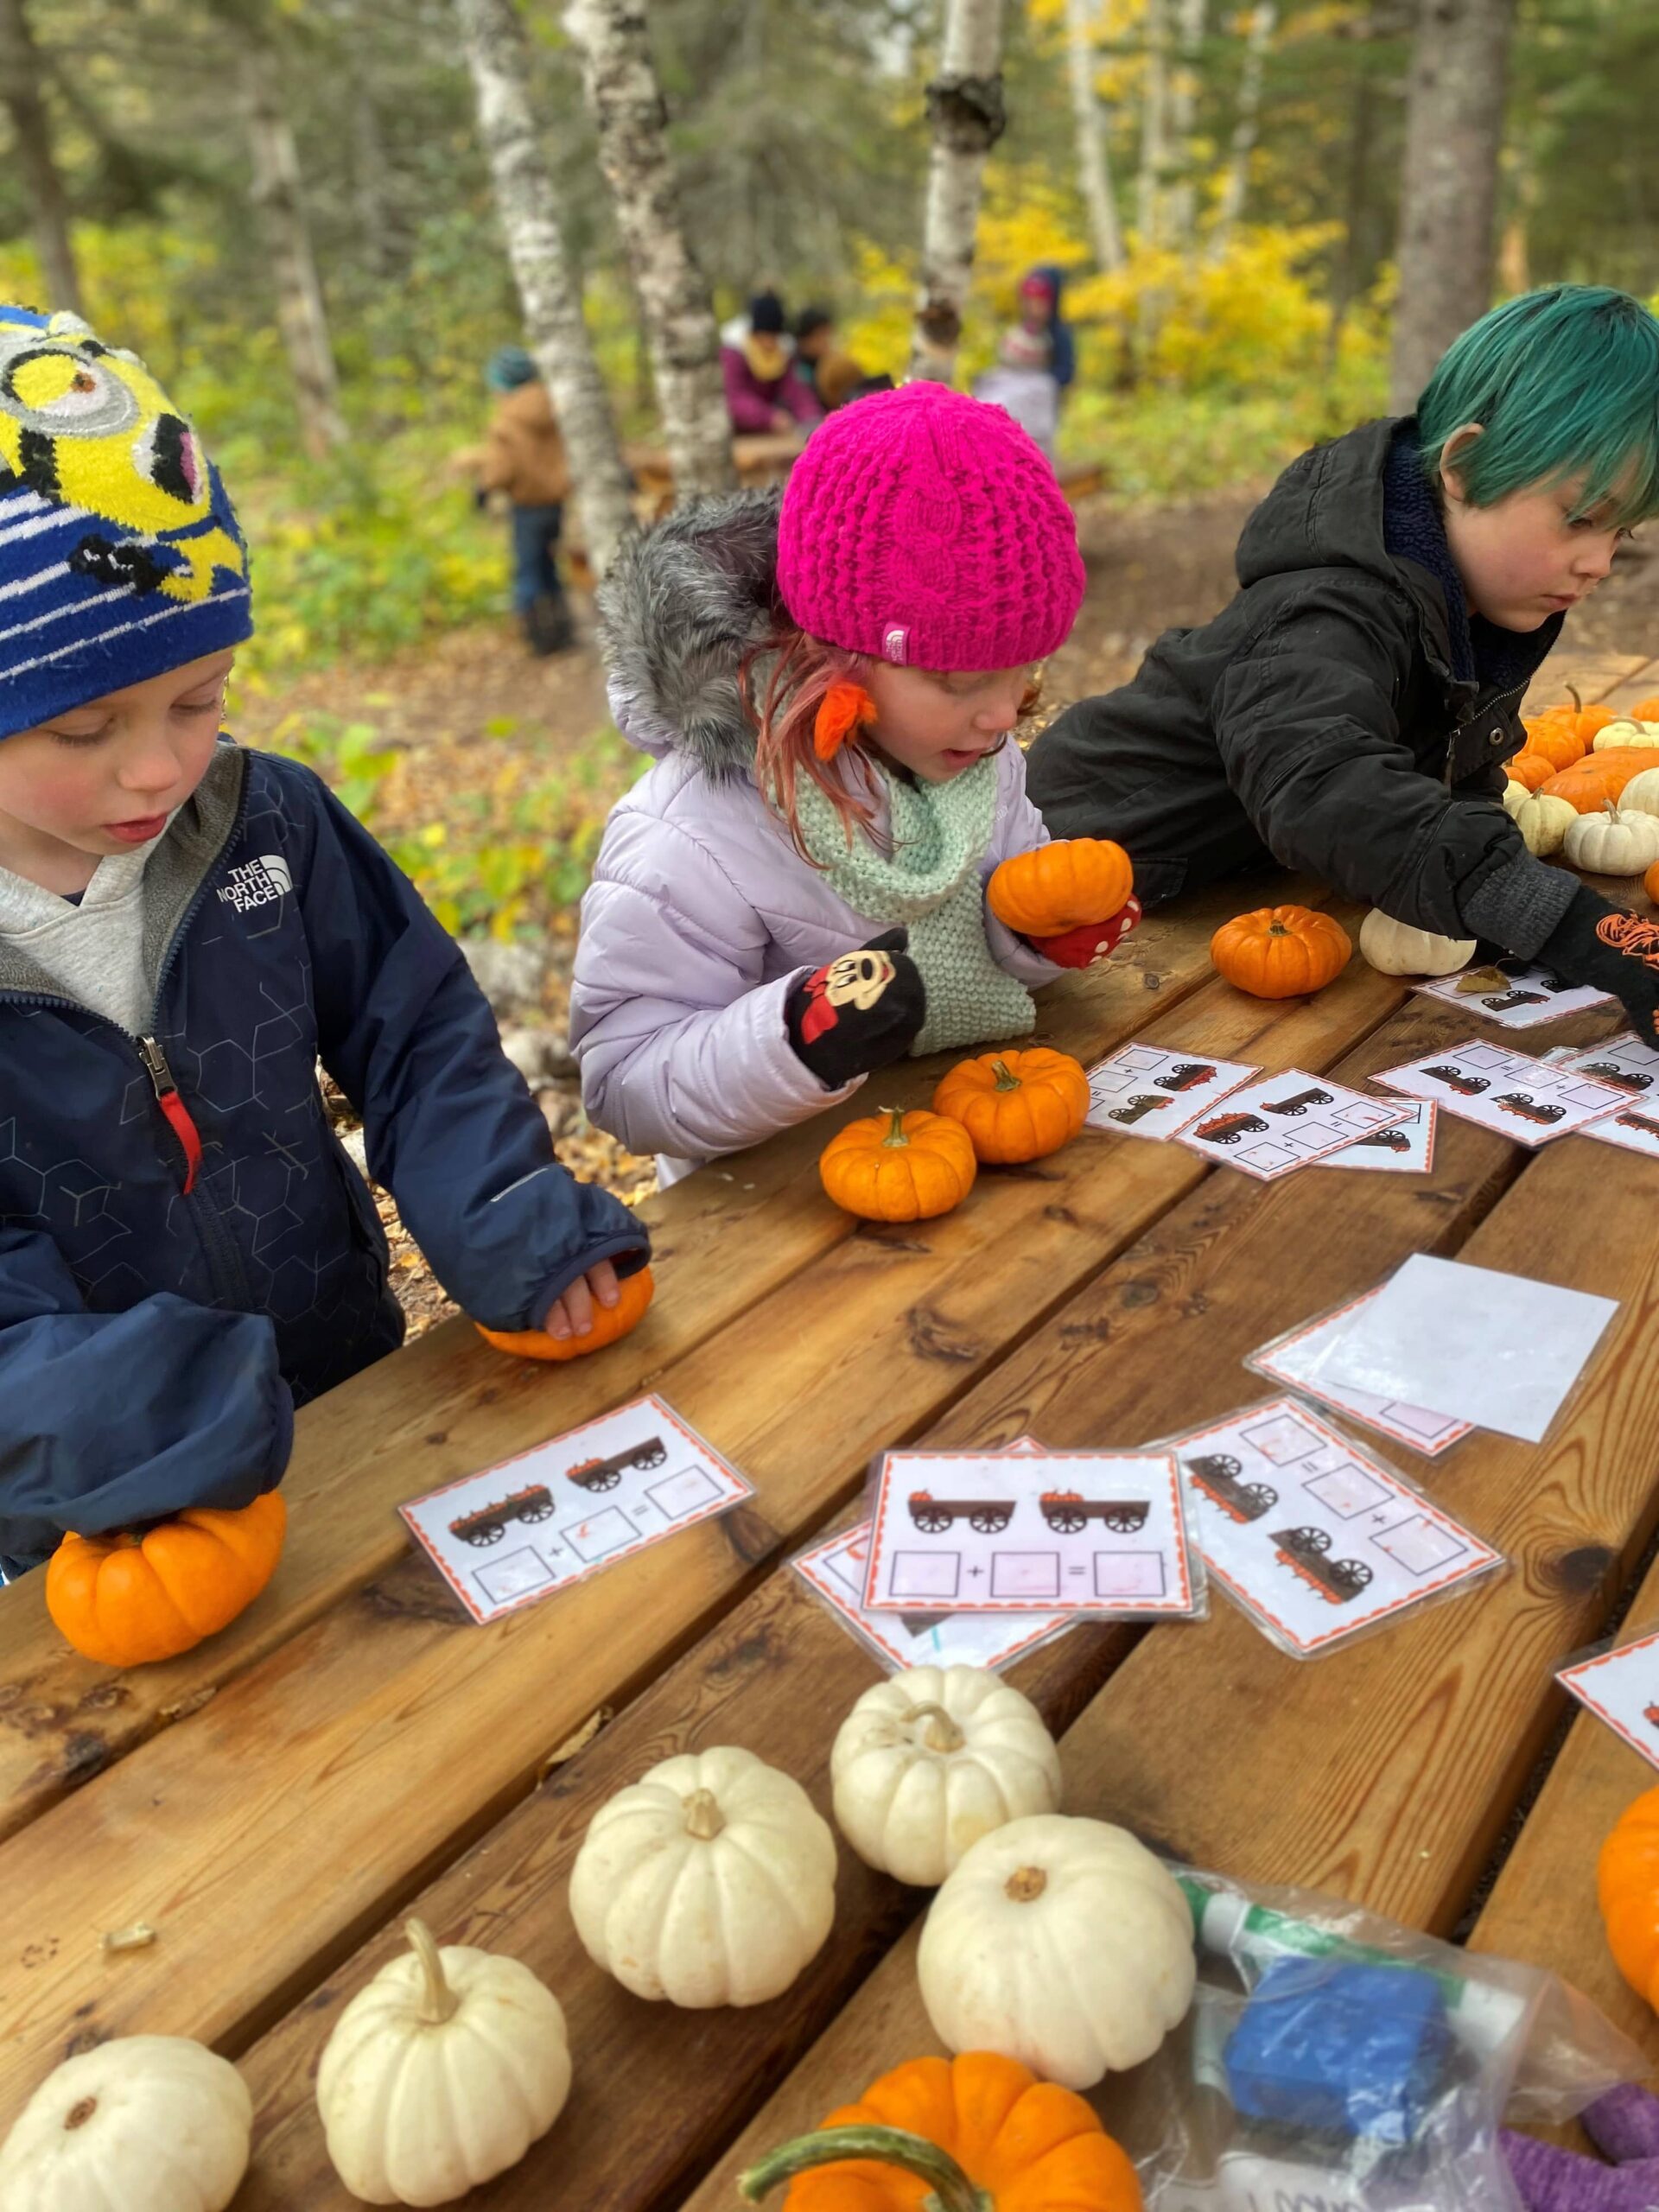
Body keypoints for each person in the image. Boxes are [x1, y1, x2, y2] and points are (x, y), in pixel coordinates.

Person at [0, 305, 649, 1576]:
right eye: (85, 730)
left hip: (356, 1390)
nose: (157, 767)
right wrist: (133, 1412)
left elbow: (416, 1032)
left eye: (199, 700)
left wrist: (504, 1212)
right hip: (101, 1516)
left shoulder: (266, 823)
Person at [1025, 285, 1659, 1040]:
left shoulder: (1476, 597)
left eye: (1619, 534)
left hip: (1225, 890)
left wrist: (1488, 886)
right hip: (1072, 871)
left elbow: (1450, 769)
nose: (1598, 562)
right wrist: (1572, 927)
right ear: (1464, 464)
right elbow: (1322, 779)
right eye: (1581, 518)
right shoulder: (1327, 605)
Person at [569, 384, 1141, 1185]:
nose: (1002, 716)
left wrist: (1037, 936)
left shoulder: (977, 758)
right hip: (772, 1207)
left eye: (1023, 673)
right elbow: (624, 1076)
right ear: (836, 653)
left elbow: (993, 937)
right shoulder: (695, 825)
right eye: (957, 680)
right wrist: (796, 1036)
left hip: (957, 1136)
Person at [477, 344, 575, 657]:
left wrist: (483, 488)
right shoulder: (554, 409)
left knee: (529, 569)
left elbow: (502, 469)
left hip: (527, 508)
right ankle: (562, 629)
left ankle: (537, 638)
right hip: (556, 503)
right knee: (550, 565)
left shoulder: (506, 421)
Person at [720, 291, 823, 435]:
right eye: (766, 336)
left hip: (769, 433)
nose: (770, 343)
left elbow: (798, 391)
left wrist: (812, 419)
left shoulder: (784, 353)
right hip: (736, 432)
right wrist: (770, 417)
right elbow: (734, 397)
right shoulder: (734, 353)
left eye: (774, 337)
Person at [791, 306, 866, 413]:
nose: (826, 342)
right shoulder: (796, 368)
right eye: (820, 336)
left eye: (828, 335)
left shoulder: (831, 364)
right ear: (805, 339)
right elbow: (805, 403)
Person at [1020, 267, 1077, 404]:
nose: (1034, 308)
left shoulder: (1059, 335)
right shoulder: (1022, 330)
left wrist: (1039, 382)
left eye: (1039, 303)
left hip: (1044, 402)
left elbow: (1066, 373)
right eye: (1029, 302)